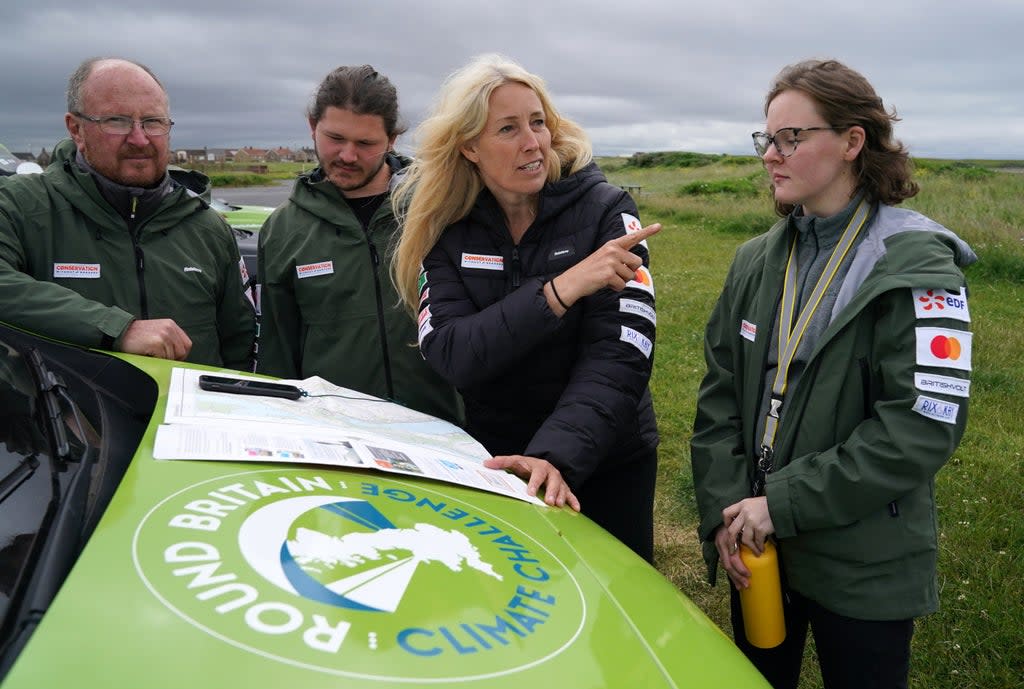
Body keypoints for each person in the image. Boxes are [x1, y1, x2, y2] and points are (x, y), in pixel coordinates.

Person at [690, 59, 976, 689]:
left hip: (864, 561)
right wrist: (725, 513)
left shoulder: (918, 264)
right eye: (767, 138)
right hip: (759, 550)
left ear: (853, 142)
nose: (771, 154)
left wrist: (781, 505)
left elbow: (920, 427)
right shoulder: (752, 261)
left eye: (792, 138)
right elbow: (718, 401)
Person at [392, 54, 661, 561]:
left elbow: (623, 352)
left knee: (611, 611)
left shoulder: (608, 210)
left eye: (538, 122)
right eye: (508, 129)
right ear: (469, 146)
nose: (532, 142)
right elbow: (452, 352)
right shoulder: (448, 227)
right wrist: (558, 292)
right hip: (496, 462)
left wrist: (551, 457)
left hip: (604, 458)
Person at [0, 57, 256, 368]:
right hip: (72, 415)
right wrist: (115, 329)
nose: (139, 138)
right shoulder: (21, 208)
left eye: (153, 122)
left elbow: (238, 347)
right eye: (117, 121)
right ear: (76, 129)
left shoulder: (209, 228)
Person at [257, 65, 461, 424]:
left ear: (392, 139)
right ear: (312, 126)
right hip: (332, 436)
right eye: (335, 138)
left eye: (366, 144)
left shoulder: (439, 208)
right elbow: (278, 356)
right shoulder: (282, 230)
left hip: (441, 430)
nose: (348, 156)